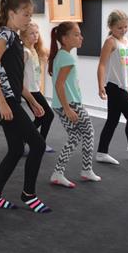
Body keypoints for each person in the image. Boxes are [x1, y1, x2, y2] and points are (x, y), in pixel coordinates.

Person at [0, 0, 51, 213]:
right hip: (5, 101)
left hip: (11, 99)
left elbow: (15, 79)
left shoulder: (15, 38)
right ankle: (28, 195)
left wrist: (32, 100)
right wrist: (2, 103)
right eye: (26, 14)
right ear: (12, 14)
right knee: (38, 144)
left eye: (30, 15)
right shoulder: (5, 36)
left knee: (16, 149)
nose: (29, 19)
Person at [48, 21, 101, 188]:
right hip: (70, 104)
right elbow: (59, 85)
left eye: (80, 34)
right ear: (64, 39)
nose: (81, 38)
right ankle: (86, 170)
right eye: (76, 35)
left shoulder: (61, 55)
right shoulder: (67, 58)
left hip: (62, 104)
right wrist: (68, 108)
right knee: (89, 132)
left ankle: (58, 173)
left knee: (75, 136)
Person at [96, 10, 128, 164]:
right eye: (119, 28)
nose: (123, 30)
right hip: (113, 86)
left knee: (112, 120)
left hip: (124, 86)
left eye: (125, 27)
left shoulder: (127, 42)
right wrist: (100, 85)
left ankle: (101, 152)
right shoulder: (110, 42)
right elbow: (102, 65)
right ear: (111, 27)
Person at [20, 22, 54, 152]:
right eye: (32, 33)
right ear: (23, 36)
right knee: (48, 115)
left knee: (41, 117)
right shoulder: (25, 52)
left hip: (35, 89)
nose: (35, 36)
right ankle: (39, 143)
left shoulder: (34, 50)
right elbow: (19, 74)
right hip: (30, 91)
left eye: (37, 33)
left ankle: (27, 140)